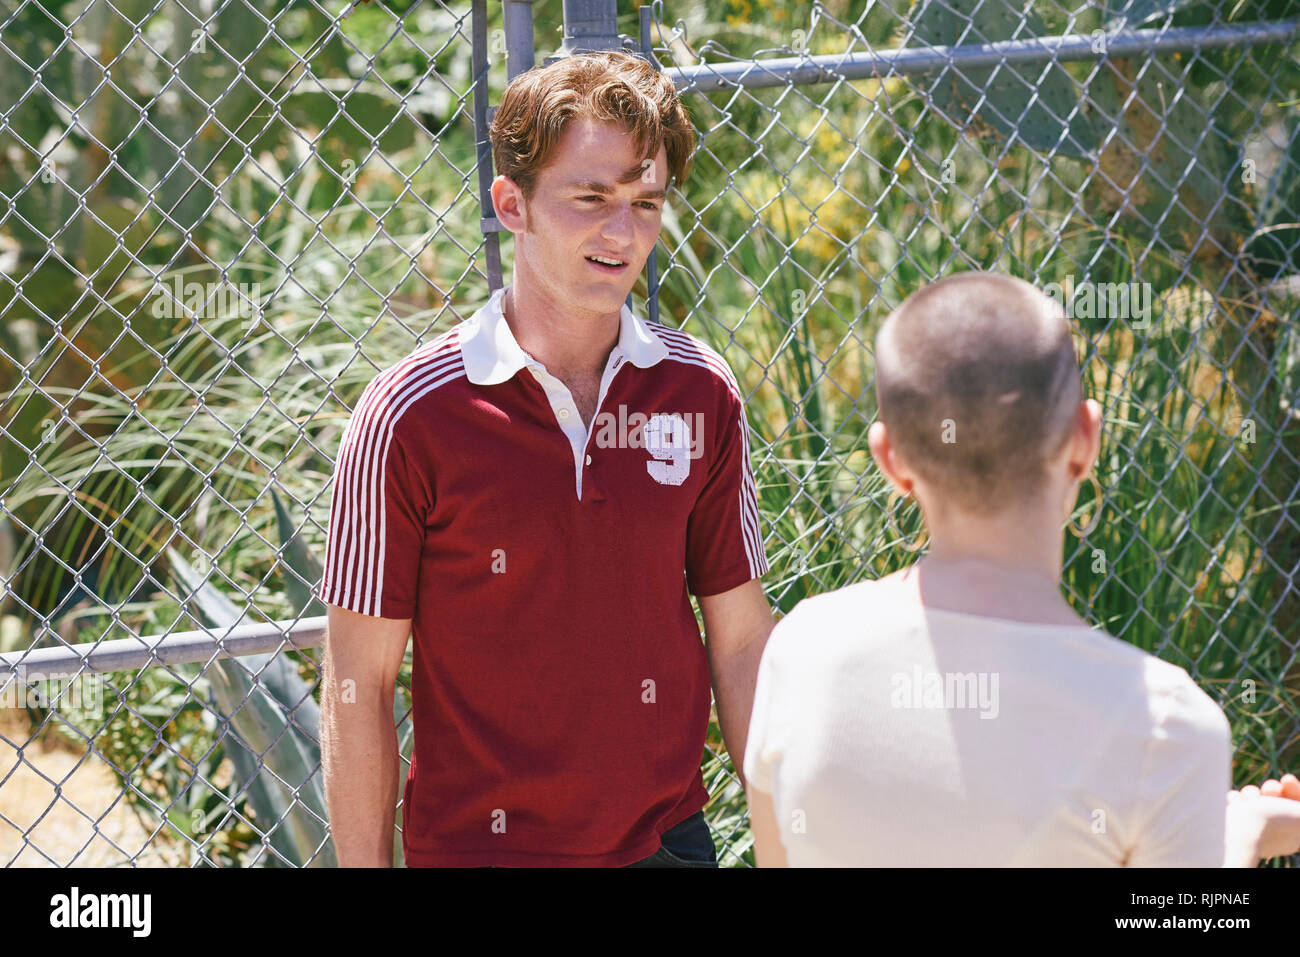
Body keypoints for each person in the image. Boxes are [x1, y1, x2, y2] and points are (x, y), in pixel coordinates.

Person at [316, 51, 774, 867]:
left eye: (645, 202)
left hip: (668, 847)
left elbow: (739, 642)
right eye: (590, 198)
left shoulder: (699, 391)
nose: (622, 232)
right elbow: (359, 687)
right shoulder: (408, 414)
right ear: (511, 204)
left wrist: (783, 846)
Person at [741, 271, 1300, 867]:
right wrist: (1243, 834)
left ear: (891, 459)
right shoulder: (1167, 728)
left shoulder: (801, 648)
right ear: (1085, 438)